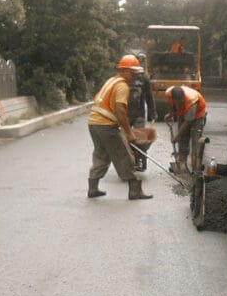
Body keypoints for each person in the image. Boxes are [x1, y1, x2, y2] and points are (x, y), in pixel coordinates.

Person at [86, 54, 152, 200]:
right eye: (133, 73)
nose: (136, 76)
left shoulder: (112, 80)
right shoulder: (122, 86)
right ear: (125, 70)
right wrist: (128, 133)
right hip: (106, 125)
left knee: (101, 155)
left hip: (94, 123)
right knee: (125, 156)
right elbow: (120, 111)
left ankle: (93, 188)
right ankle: (135, 191)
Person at [164, 85, 207, 172]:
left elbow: (188, 122)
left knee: (196, 141)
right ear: (173, 99)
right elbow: (171, 105)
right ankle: (182, 165)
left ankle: (195, 168)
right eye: (178, 102)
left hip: (198, 115)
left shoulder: (191, 100)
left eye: (182, 100)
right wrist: (171, 114)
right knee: (183, 140)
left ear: (184, 96)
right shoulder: (169, 94)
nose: (181, 102)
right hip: (183, 113)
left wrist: (176, 136)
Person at [127, 54, 156, 171]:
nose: (140, 62)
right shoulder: (127, 76)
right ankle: (130, 161)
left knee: (140, 140)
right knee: (126, 139)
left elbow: (149, 97)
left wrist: (152, 113)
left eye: (142, 61)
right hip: (126, 114)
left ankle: (141, 161)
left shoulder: (145, 78)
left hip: (139, 114)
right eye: (139, 60)